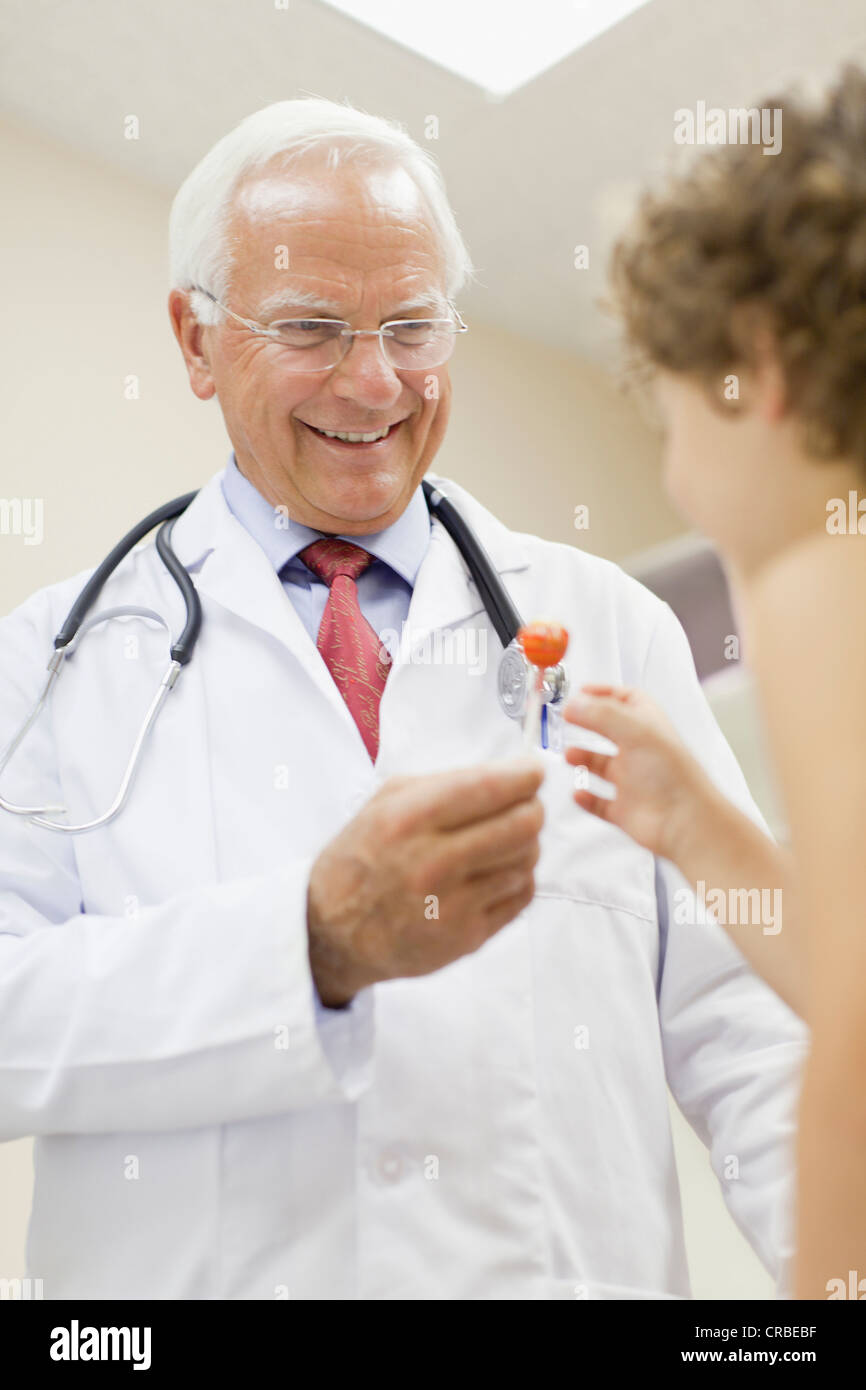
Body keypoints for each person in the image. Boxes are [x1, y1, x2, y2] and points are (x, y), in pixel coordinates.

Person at [0, 98, 805, 1301]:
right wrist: (307, 942)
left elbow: (755, 1033)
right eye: (314, 327)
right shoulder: (52, 661)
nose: (374, 381)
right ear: (194, 337)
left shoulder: (607, 625)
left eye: (413, 326)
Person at [577, 64, 866, 1300]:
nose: (680, 480)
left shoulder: (822, 567)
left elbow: (851, 1056)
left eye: (672, 416)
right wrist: (696, 828)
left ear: (759, 363)